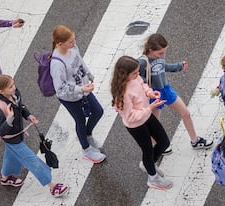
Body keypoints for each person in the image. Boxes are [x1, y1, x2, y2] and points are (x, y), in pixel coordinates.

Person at [0, 74, 68, 198]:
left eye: (13, 84)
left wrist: (28, 115)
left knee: (11, 156)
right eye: (10, 87)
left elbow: (21, 106)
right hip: (12, 138)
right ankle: (52, 187)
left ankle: (6, 177)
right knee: (32, 161)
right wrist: (9, 119)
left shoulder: (15, 94)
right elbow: (1, 130)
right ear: (1, 91)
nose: (14, 87)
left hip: (17, 135)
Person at [139, 33, 212, 151]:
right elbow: (137, 78)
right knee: (154, 123)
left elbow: (164, 66)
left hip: (166, 89)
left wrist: (179, 66)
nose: (163, 55)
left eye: (164, 52)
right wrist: (147, 90)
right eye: (160, 53)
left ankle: (195, 140)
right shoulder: (142, 62)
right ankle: (155, 146)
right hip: (153, 94)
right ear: (151, 50)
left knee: (185, 113)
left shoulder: (159, 57)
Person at [110, 55, 172, 190]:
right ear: (124, 75)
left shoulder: (134, 78)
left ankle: (148, 164)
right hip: (136, 125)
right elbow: (130, 116)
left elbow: (142, 84)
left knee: (164, 142)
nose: (138, 75)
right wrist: (149, 108)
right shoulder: (122, 94)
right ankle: (152, 177)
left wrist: (150, 93)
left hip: (146, 115)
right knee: (147, 150)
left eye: (138, 72)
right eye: (135, 73)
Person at [50, 25, 106, 163]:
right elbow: (60, 89)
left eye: (73, 39)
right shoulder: (57, 64)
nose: (74, 43)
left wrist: (88, 74)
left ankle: (88, 135)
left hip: (83, 88)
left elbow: (80, 62)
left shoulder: (72, 48)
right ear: (60, 43)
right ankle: (86, 149)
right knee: (80, 120)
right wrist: (81, 89)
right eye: (70, 41)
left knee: (98, 111)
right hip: (71, 97)